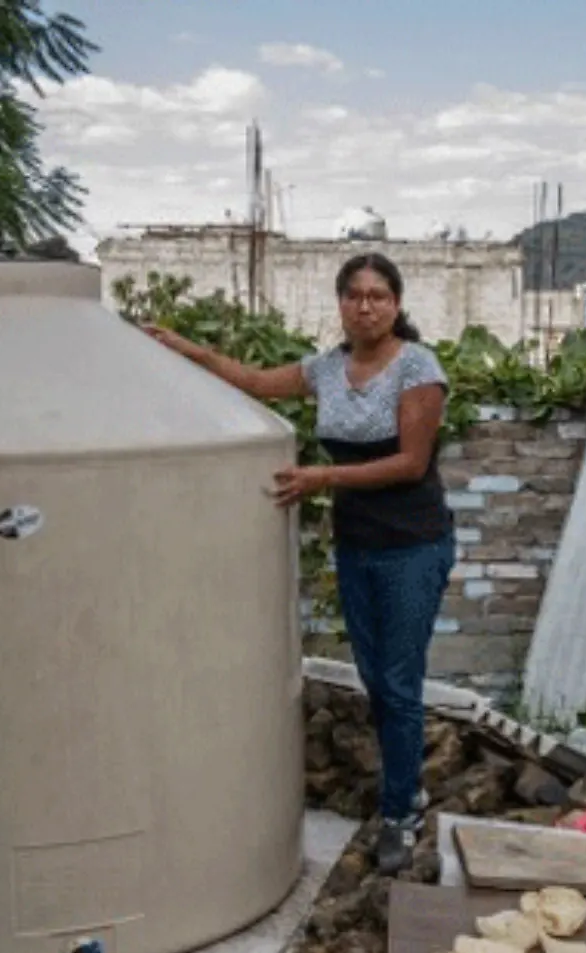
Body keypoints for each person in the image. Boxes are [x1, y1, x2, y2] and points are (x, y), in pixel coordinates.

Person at [142, 252, 454, 874]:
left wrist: (322, 476)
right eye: (354, 295)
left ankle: (401, 814)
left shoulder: (418, 366)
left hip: (413, 545)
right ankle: (405, 788)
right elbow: (256, 382)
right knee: (376, 680)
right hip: (357, 543)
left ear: (396, 304)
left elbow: (410, 464)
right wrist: (184, 349)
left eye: (378, 295)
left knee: (397, 682)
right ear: (340, 304)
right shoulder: (327, 368)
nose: (366, 306)